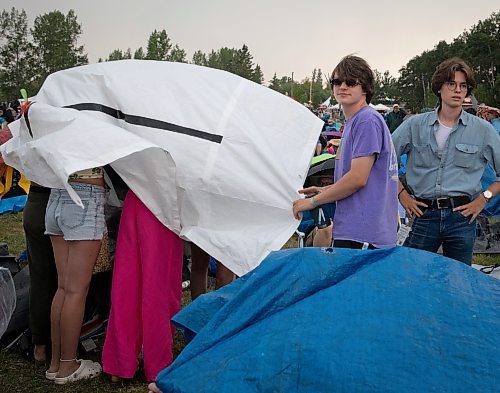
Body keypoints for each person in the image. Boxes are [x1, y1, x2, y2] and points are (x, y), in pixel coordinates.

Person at [392, 57, 500, 265]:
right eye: (451, 84)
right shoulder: (414, 126)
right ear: (439, 88)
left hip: (462, 218)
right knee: (413, 277)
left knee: (458, 282)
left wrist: (483, 198)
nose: (458, 90)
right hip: (423, 215)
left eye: (463, 86)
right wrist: (401, 195)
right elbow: (383, 163)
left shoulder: (483, 130)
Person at [293, 55, 398, 250]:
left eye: (350, 82)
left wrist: (313, 202)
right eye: (337, 81)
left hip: (364, 234)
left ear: (365, 87)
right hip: (359, 230)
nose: (343, 86)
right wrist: (325, 191)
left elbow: (358, 178)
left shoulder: (366, 120)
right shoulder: (355, 121)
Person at [102, 190, 183, 382]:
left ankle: (119, 363)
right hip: (163, 205)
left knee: (127, 284)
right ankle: (157, 364)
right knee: (159, 287)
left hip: (136, 199)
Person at [44, 167, 106, 384]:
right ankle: (68, 364)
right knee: (76, 290)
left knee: (64, 287)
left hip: (57, 192)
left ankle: (56, 364)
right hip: (86, 195)